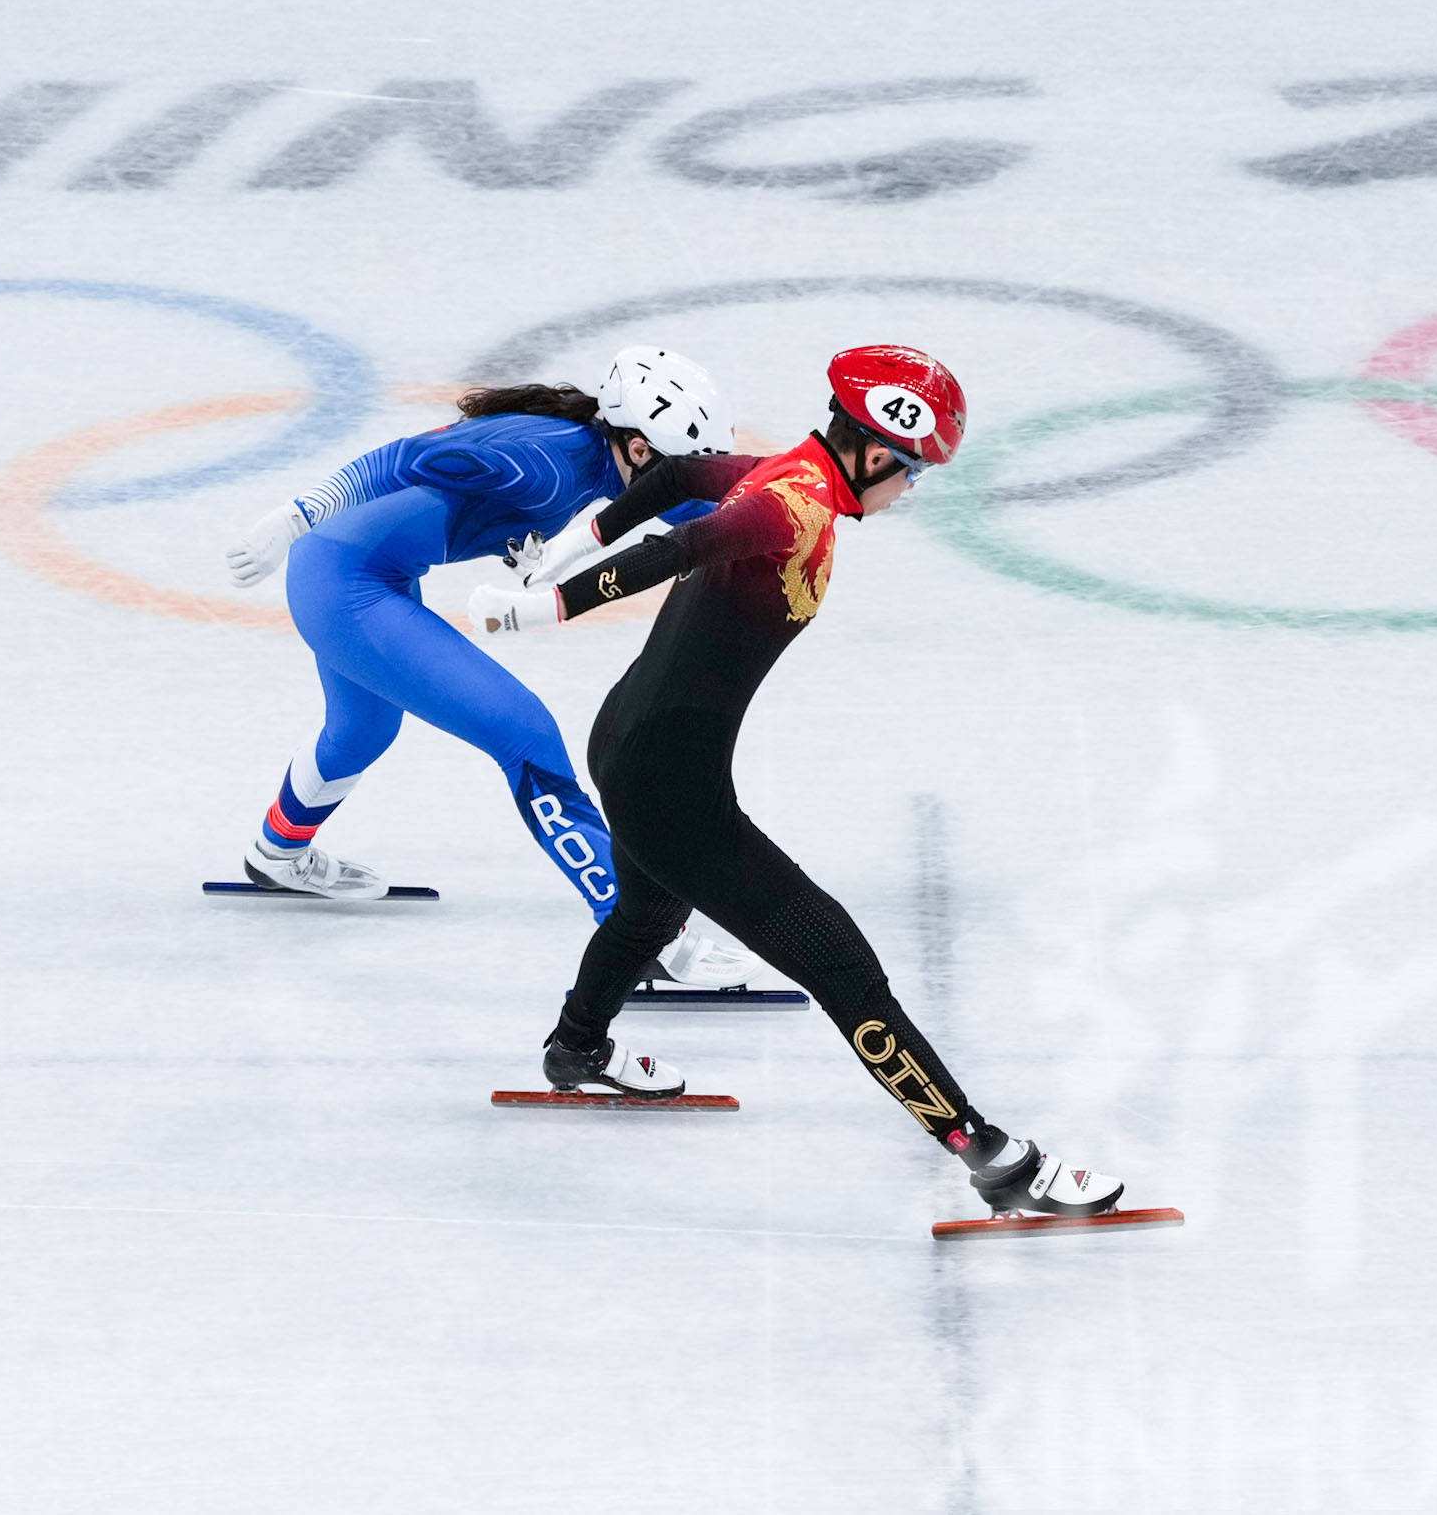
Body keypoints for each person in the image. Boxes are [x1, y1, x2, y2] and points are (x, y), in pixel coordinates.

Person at [465, 344, 1134, 1220]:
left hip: (626, 744)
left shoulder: (791, 468)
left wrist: (561, 553)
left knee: (648, 910)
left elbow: (675, 483)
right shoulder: (795, 509)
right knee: (842, 967)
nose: (911, 491)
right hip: (670, 787)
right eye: (914, 472)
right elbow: (685, 542)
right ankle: (992, 1158)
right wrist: (544, 605)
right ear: (872, 450)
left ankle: (576, 1049)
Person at [223, 347, 755, 996]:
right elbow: (398, 458)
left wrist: (827, 499)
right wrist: (298, 514)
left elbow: (701, 509)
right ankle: (639, 941)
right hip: (346, 585)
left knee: (361, 729)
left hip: (360, 572)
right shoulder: (544, 469)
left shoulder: (591, 451)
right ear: (639, 451)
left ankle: (276, 852)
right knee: (525, 736)